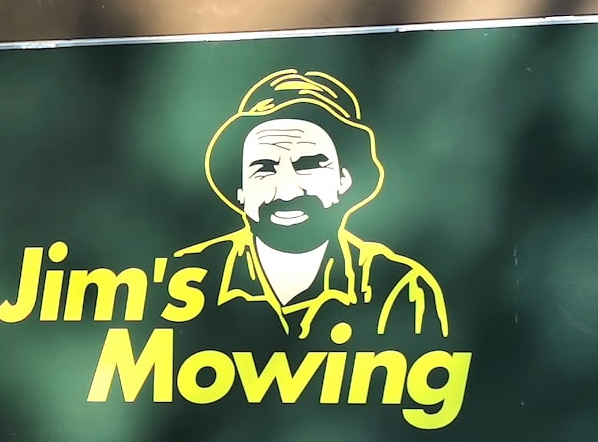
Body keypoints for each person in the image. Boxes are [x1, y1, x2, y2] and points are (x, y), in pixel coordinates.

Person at [176, 69, 449, 340]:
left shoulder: (399, 288)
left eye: (308, 165)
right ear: (240, 191)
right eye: (265, 169)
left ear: (345, 180)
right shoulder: (185, 279)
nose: (287, 191)